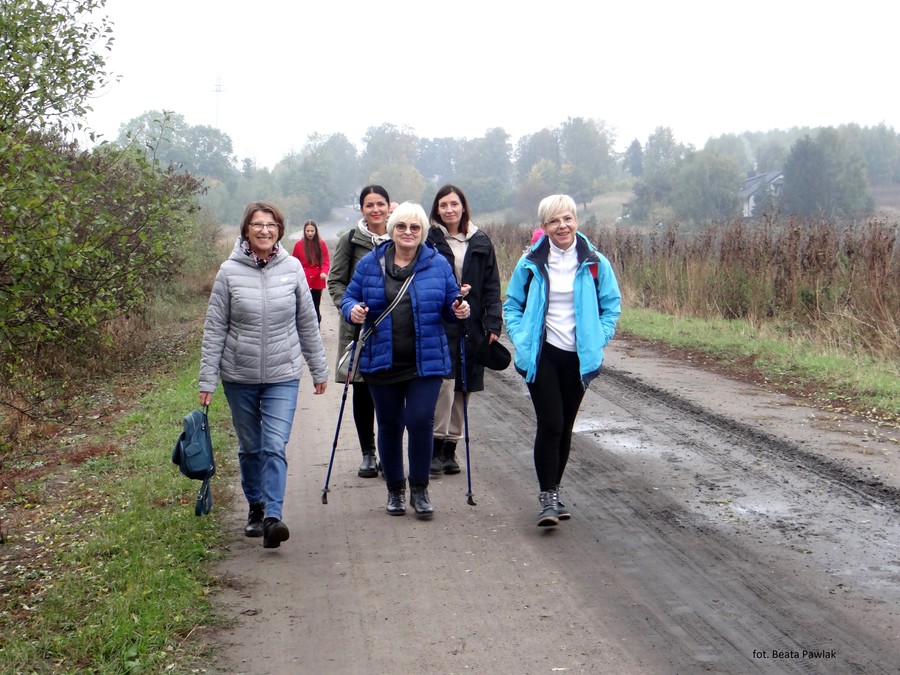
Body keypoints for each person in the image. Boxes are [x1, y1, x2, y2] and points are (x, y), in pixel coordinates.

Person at [200, 201, 328, 547]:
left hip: (282, 374)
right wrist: (207, 379)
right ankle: (255, 506)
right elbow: (215, 329)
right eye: (257, 224)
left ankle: (273, 515)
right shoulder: (228, 271)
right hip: (238, 375)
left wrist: (318, 368)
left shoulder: (293, 269)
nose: (264, 230)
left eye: (271, 224)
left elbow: (307, 322)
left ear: (280, 230)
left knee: (273, 444)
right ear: (246, 230)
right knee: (251, 446)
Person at [341, 202, 470, 518]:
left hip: (424, 362)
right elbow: (349, 297)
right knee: (389, 424)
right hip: (380, 360)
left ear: (423, 232)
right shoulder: (371, 263)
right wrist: (352, 310)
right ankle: (395, 491)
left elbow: (449, 305)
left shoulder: (438, 265)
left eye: (415, 228)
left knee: (420, 421)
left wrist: (458, 310)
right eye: (401, 227)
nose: (408, 233)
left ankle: (421, 490)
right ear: (391, 229)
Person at [503, 195, 621, 527]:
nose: (562, 226)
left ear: (576, 221)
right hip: (543, 356)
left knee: (565, 428)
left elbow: (611, 305)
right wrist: (521, 336)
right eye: (554, 221)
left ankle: (553, 492)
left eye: (567, 218)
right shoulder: (529, 262)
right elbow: (512, 304)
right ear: (544, 227)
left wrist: (600, 336)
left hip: (578, 358)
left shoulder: (596, 262)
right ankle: (547, 499)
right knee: (551, 424)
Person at [426, 185, 503, 476]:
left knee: (464, 385)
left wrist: (493, 322)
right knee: (443, 384)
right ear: (436, 209)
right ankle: (434, 445)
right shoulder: (429, 240)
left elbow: (492, 285)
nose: (449, 210)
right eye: (443, 205)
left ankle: (451, 449)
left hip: (473, 324)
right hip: (440, 320)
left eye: (454, 204)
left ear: (463, 207)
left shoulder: (481, 240)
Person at [327, 186, 392, 478]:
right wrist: (348, 307)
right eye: (369, 204)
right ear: (361, 209)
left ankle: (389, 452)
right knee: (363, 390)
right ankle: (368, 453)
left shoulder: (403, 235)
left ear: (390, 207)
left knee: (392, 391)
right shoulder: (350, 240)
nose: (375, 209)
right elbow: (336, 281)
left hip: (396, 327)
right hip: (360, 329)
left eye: (380, 204)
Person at [291, 220, 330, 324]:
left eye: (312, 231)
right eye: (307, 231)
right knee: (303, 306)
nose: (310, 233)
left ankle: (316, 327)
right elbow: (294, 262)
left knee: (315, 305)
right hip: (303, 280)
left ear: (316, 231)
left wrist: (324, 272)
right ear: (304, 231)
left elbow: (326, 261)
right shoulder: (298, 244)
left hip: (317, 280)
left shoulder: (321, 243)